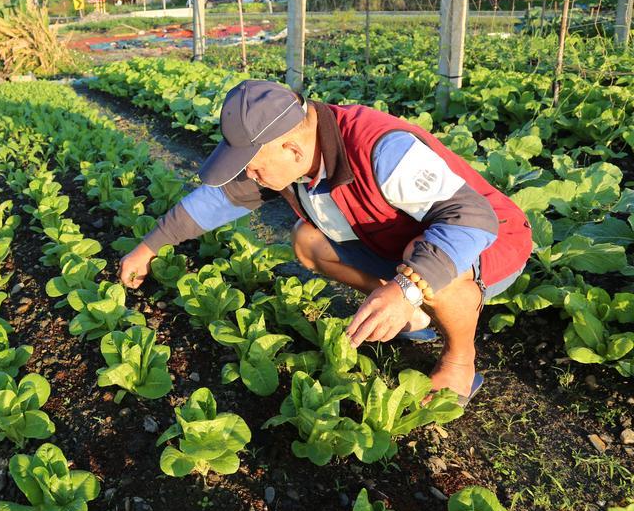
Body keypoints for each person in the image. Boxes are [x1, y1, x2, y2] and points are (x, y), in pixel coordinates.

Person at [119, 80, 533, 406]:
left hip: (489, 240)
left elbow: (470, 219)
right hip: (399, 237)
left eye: (254, 167)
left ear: (292, 148)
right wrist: (150, 246)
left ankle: (460, 362)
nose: (252, 176)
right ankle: (415, 315)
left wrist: (406, 287)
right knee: (307, 240)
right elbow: (218, 199)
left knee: (429, 264)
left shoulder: (382, 148)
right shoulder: (291, 156)